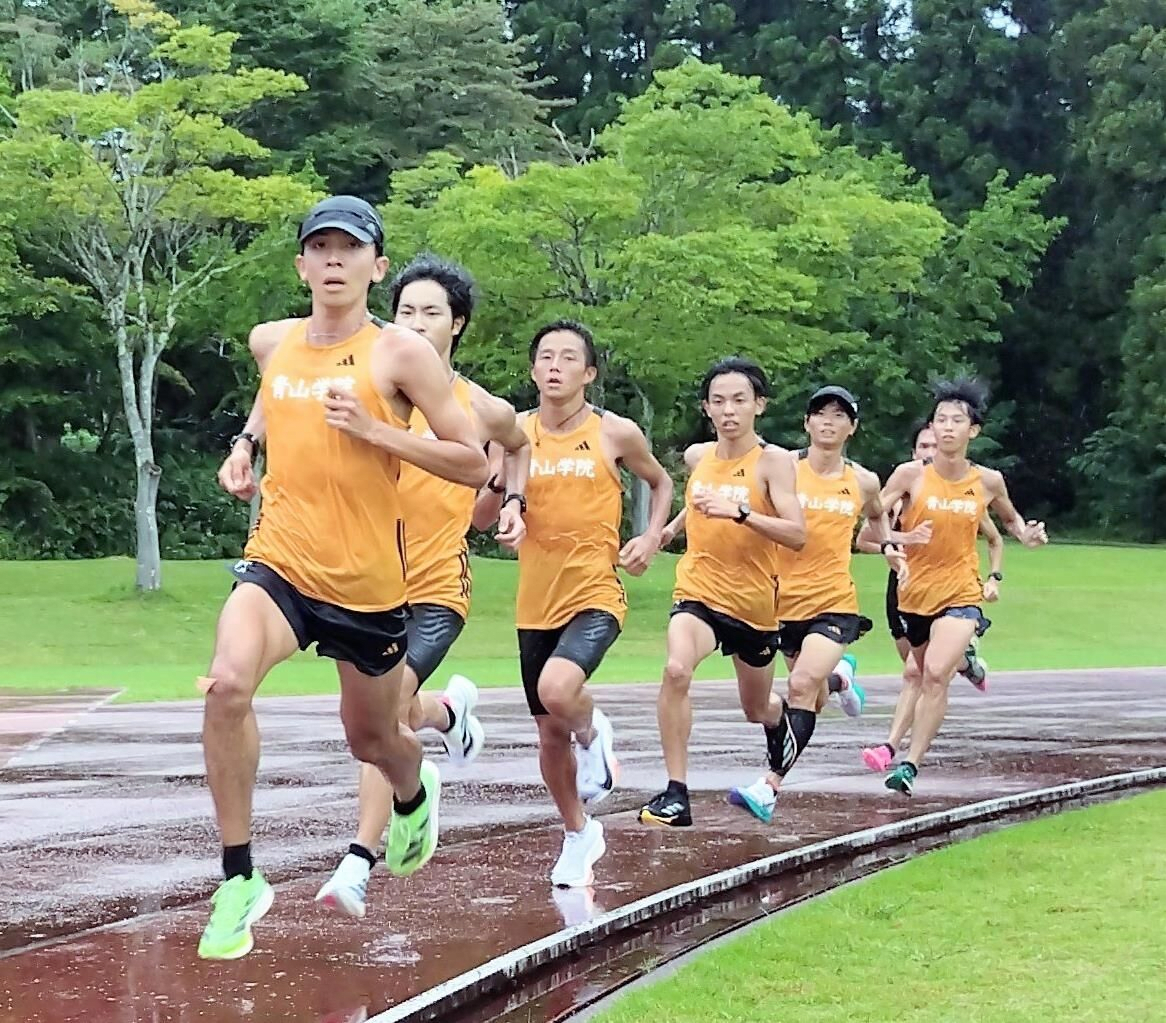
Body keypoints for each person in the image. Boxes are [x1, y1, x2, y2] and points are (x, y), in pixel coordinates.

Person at [201, 196, 488, 959]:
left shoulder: (399, 355)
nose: (333, 260)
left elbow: (473, 460)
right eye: (319, 248)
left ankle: (412, 788)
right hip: (281, 561)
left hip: (366, 582)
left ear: (376, 266)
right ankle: (239, 875)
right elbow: (274, 392)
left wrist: (378, 431)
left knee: (371, 737)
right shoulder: (274, 341)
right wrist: (244, 446)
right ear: (301, 264)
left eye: (349, 249)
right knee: (226, 683)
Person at [314, 254, 531, 919]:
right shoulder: (368, 388)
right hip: (370, 583)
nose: (415, 322)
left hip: (437, 585)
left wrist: (510, 499)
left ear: (457, 325)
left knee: (381, 718)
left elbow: (519, 444)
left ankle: (358, 858)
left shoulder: (478, 407)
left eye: (431, 312)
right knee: (387, 720)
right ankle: (449, 715)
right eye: (405, 310)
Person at [516, 319, 673, 887]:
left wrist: (650, 535)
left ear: (589, 373)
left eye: (568, 357)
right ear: (533, 369)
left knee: (558, 691)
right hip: (534, 599)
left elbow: (660, 482)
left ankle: (594, 730)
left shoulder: (615, 432)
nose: (554, 366)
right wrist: (501, 512)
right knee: (546, 732)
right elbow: (485, 511)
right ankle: (579, 833)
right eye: (546, 357)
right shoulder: (513, 434)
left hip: (595, 591)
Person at [638, 357, 810, 829]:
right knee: (676, 671)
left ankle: (780, 722)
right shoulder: (699, 457)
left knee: (756, 708)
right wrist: (665, 533)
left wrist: (742, 513)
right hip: (698, 589)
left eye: (739, 400)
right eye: (718, 401)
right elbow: (697, 506)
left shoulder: (774, 462)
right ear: (706, 409)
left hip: (753, 604)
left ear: (760, 405)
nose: (728, 410)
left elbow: (797, 534)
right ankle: (676, 793)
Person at [726, 385, 904, 823]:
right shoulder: (782, 467)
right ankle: (842, 681)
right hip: (780, 603)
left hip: (833, 602)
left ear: (852, 428)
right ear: (807, 423)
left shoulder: (863, 481)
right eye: (820, 414)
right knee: (816, 694)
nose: (829, 422)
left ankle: (769, 785)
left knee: (802, 686)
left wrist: (889, 547)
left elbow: (876, 523)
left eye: (839, 415)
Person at [874, 378, 1047, 796]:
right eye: (940, 420)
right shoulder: (909, 474)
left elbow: (1008, 520)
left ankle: (910, 766)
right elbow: (872, 513)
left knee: (935, 673)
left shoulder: (988, 480)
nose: (946, 428)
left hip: (961, 593)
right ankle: (963, 670)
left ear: (974, 431)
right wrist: (891, 545)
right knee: (921, 667)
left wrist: (1026, 535)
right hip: (913, 595)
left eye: (957, 421)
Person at [856, 422, 1004, 774]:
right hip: (906, 588)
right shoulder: (899, 496)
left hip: (957, 591)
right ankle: (967, 664)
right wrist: (898, 544)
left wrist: (995, 577)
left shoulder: (966, 493)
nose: (929, 450)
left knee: (921, 674)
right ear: (914, 454)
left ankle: (894, 750)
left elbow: (995, 535)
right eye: (923, 445)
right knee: (918, 670)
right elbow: (863, 539)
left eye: (932, 444)